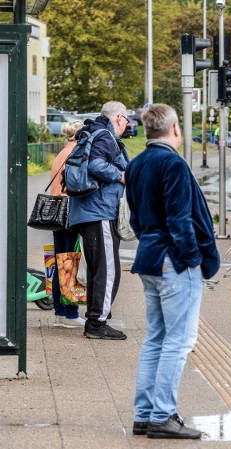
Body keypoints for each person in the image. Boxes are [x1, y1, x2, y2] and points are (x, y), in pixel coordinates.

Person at [126, 104, 220, 439]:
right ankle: (163, 415)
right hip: (174, 261)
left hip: (149, 257)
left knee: (155, 337)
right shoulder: (174, 165)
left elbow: (135, 218)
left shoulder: (136, 164)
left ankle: (145, 413)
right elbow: (182, 221)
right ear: (175, 129)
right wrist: (193, 259)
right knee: (178, 341)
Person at [68, 101, 130, 340]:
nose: (127, 124)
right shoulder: (104, 136)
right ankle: (97, 323)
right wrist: (121, 175)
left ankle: (94, 320)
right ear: (118, 118)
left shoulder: (93, 132)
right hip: (99, 212)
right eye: (126, 119)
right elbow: (96, 165)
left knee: (98, 270)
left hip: (90, 212)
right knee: (108, 270)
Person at [50, 120, 85, 329]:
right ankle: (71, 312)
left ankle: (60, 311)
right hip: (69, 212)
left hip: (56, 212)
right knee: (71, 262)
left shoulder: (62, 152)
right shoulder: (74, 155)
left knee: (60, 262)